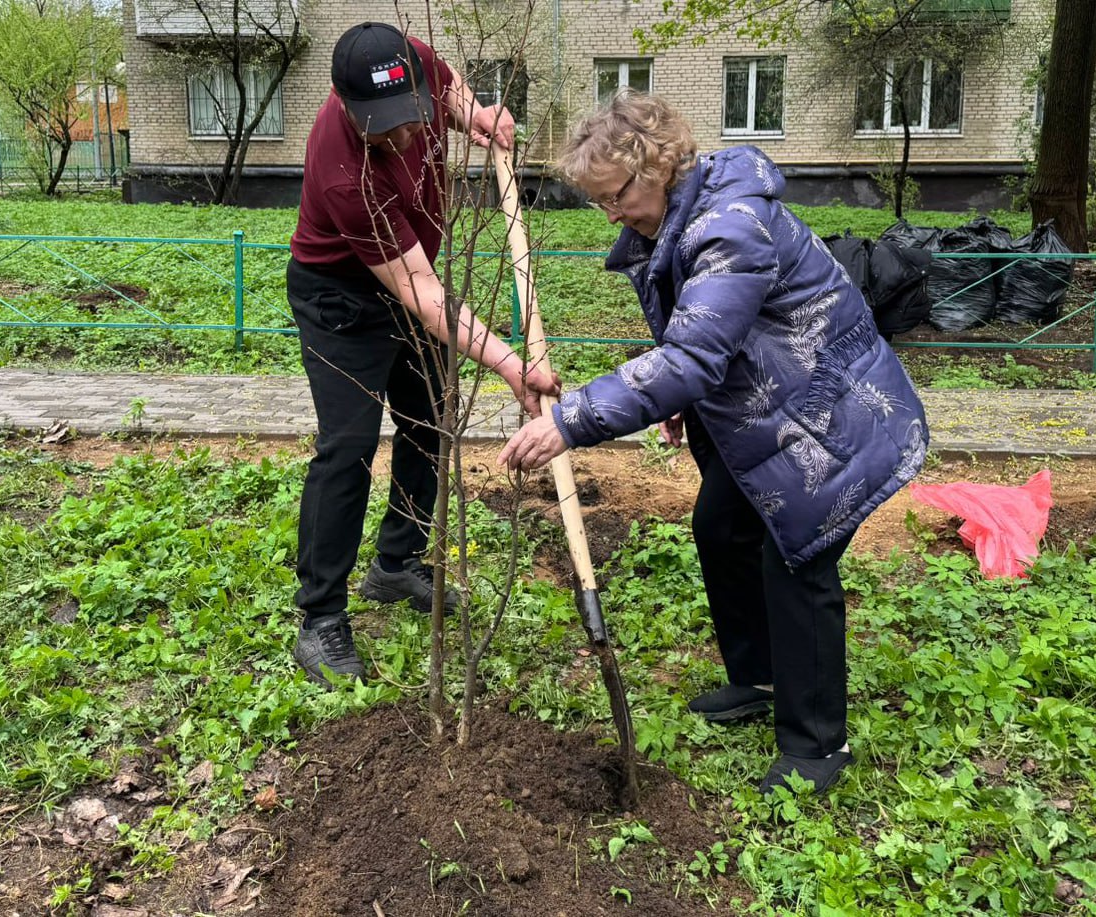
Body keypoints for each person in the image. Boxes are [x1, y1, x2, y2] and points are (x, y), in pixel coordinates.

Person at [499, 90, 928, 795]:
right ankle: (758, 676)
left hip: (827, 413)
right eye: (598, 203)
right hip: (772, 408)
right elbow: (695, 339)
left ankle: (817, 744)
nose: (610, 215)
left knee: (800, 558)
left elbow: (694, 357)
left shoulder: (730, 225)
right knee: (720, 526)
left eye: (614, 197)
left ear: (657, 167)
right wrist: (683, 396)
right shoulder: (677, 217)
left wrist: (569, 420)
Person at [288, 22, 558, 685]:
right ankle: (320, 619)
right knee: (346, 446)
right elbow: (424, 295)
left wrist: (477, 118)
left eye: (409, 116)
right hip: (343, 299)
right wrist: (508, 364)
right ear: (343, 102)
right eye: (385, 125)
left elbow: (454, 90)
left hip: (412, 278)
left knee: (430, 422)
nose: (406, 135)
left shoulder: (415, 59)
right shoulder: (343, 172)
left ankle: (395, 564)